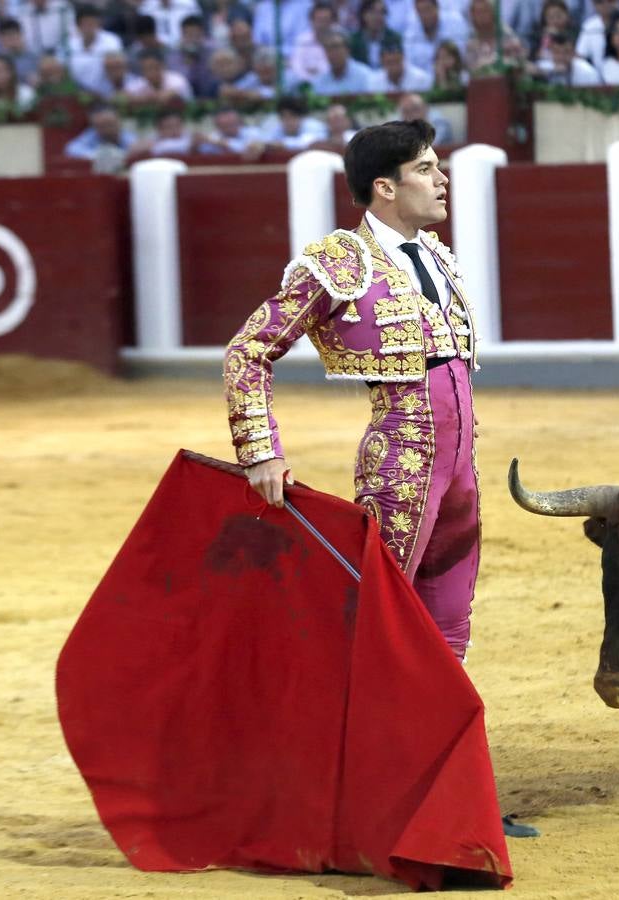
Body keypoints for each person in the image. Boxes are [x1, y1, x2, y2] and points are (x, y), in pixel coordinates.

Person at [222, 120, 539, 838]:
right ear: (386, 187)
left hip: (460, 473)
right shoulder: (341, 263)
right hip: (400, 470)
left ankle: (446, 798)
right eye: (427, 168)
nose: (442, 178)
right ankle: (340, 799)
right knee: (377, 638)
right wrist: (259, 450)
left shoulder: (436, 256)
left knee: (446, 634)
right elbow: (248, 352)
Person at [67, 4, 126, 93]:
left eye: (92, 23)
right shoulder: (70, 44)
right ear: (78, 26)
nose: (89, 27)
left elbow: (118, 70)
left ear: (99, 23)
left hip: (108, 94)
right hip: (78, 94)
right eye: (86, 23)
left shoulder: (111, 40)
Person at [403, 0, 468, 73]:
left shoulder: (455, 22)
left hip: (455, 74)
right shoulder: (411, 33)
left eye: (428, 9)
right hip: (424, 81)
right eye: (420, 11)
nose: (425, 15)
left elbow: (461, 55)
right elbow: (409, 65)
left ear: (437, 8)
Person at [64, 103, 137, 160]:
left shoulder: (126, 136)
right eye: (102, 126)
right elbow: (71, 149)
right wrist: (121, 155)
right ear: (94, 125)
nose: (108, 129)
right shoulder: (90, 136)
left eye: (110, 124)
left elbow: (139, 146)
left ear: (118, 121)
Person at [311, 30, 376, 93]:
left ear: (347, 49)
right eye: (328, 49)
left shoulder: (364, 76)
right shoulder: (319, 80)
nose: (332, 53)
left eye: (336, 47)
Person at [262, 92, 330, 149]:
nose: (288, 121)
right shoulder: (278, 127)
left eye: (292, 116)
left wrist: (280, 144)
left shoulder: (314, 126)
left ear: (302, 117)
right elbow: (267, 140)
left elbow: (307, 142)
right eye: (284, 117)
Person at [369, 36, 433, 90]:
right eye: (389, 62)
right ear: (381, 61)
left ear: (403, 57)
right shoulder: (374, 83)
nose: (393, 67)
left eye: (396, 61)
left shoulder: (421, 79)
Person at [349, 0, 400, 67]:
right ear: (363, 15)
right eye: (373, 12)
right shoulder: (353, 40)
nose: (378, 17)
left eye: (382, 12)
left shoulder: (394, 39)